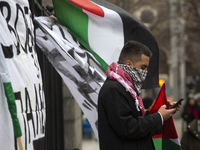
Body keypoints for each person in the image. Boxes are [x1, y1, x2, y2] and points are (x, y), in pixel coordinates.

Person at [98, 41, 180, 150]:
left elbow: (135, 116)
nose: (145, 72)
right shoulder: (114, 89)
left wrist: (160, 110)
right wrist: (158, 117)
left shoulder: (127, 87)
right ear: (128, 64)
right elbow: (128, 127)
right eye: (143, 67)